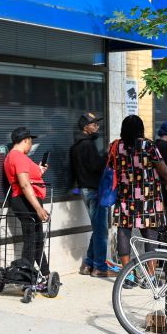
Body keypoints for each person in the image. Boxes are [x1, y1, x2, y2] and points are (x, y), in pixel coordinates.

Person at [111, 115, 167, 267]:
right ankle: (151, 274)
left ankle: (126, 274)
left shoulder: (115, 146)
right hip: (149, 197)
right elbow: (163, 169)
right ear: (140, 129)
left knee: (123, 231)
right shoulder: (148, 145)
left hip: (125, 196)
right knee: (150, 233)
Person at [4, 127, 51, 283]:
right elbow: (24, 185)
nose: (31, 145)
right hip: (26, 201)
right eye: (30, 142)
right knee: (32, 240)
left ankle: (45, 273)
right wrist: (38, 207)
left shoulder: (12, 156)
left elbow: (27, 179)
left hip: (23, 200)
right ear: (25, 141)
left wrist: (38, 171)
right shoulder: (19, 157)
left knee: (36, 238)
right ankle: (27, 278)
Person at [69, 111, 110, 277]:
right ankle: (99, 267)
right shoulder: (87, 145)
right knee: (101, 231)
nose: (97, 126)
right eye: (94, 124)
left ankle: (88, 264)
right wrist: (107, 155)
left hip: (86, 189)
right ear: (86, 127)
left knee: (98, 228)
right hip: (94, 190)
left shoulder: (77, 145)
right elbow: (96, 166)